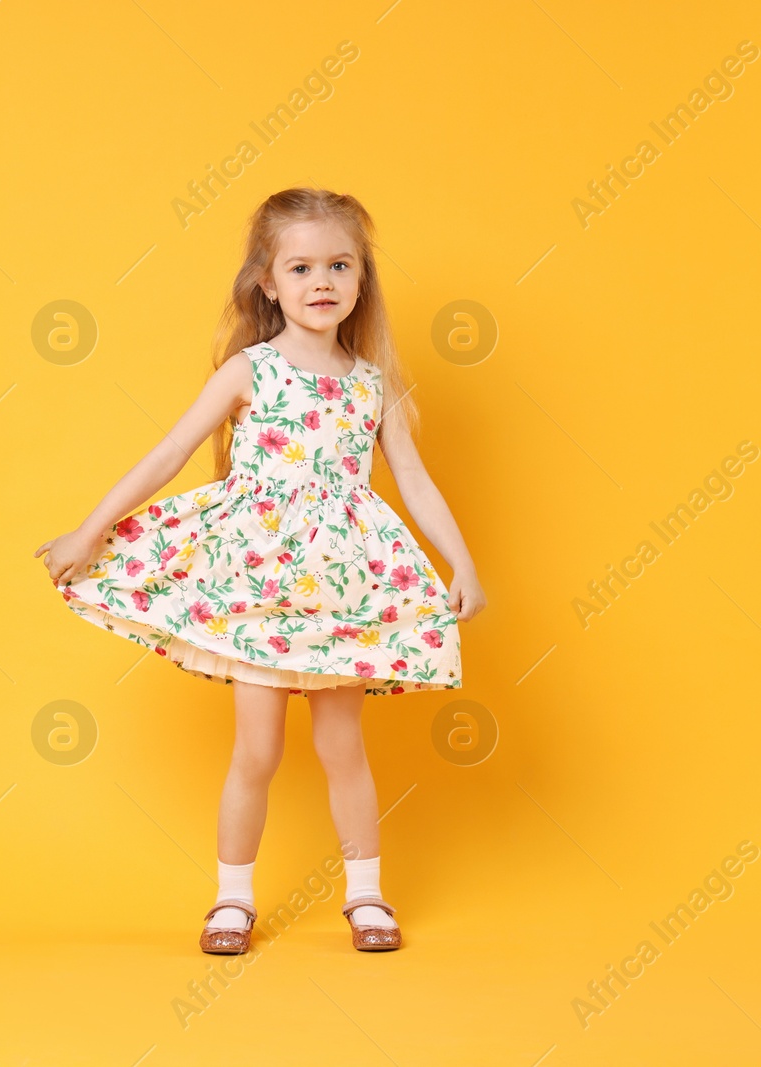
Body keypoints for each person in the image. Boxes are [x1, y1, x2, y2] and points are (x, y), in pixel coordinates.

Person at [34, 187, 486, 953]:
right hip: (259, 587)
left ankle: (366, 894)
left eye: (339, 265)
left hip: (343, 590)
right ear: (267, 283)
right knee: (258, 751)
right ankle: (233, 898)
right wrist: (91, 527)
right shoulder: (251, 370)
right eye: (302, 266)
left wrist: (462, 560)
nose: (322, 281)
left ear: (361, 279)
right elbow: (169, 453)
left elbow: (413, 478)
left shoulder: (370, 384)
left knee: (344, 748)